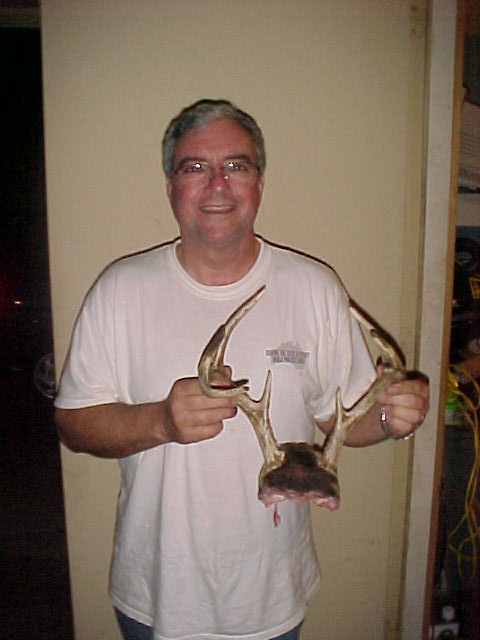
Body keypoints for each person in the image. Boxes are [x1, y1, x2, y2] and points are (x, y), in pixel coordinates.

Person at [54, 99, 430, 640]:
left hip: (271, 596)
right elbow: (73, 424)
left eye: (236, 165)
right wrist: (160, 422)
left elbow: (344, 420)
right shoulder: (120, 291)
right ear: (171, 186)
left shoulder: (314, 287)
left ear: (259, 183)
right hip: (156, 594)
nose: (218, 184)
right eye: (194, 167)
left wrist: (395, 417)